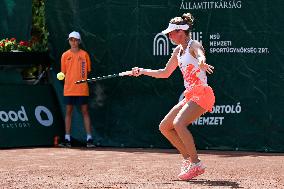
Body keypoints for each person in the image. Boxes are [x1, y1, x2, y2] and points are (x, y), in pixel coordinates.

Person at [132, 13, 215, 180]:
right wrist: (142, 71)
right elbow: (165, 72)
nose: (169, 35)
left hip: (202, 94)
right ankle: (187, 159)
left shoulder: (193, 45)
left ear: (181, 32)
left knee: (179, 123)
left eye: (171, 33)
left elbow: (200, 53)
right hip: (190, 95)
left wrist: (201, 60)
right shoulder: (178, 50)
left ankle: (196, 163)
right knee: (164, 127)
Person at [59, 31, 95, 148]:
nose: (73, 42)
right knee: (68, 112)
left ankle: (89, 138)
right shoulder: (64, 55)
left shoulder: (84, 55)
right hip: (69, 89)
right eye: (71, 40)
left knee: (85, 112)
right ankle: (67, 138)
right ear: (69, 41)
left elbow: (86, 71)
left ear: (79, 41)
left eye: (75, 40)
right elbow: (63, 73)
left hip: (82, 89)